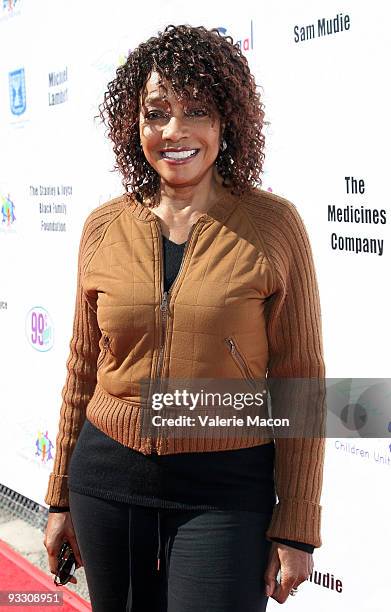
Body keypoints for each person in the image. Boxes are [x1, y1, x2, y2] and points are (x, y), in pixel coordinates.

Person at [43, 24, 326, 612]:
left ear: (227, 122)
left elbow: (302, 380)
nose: (174, 131)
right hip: (106, 484)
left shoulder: (274, 226)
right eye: (156, 112)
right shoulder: (102, 226)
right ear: (135, 125)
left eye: (196, 109)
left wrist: (297, 526)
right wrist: (59, 499)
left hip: (225, 493)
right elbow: (82, 366)